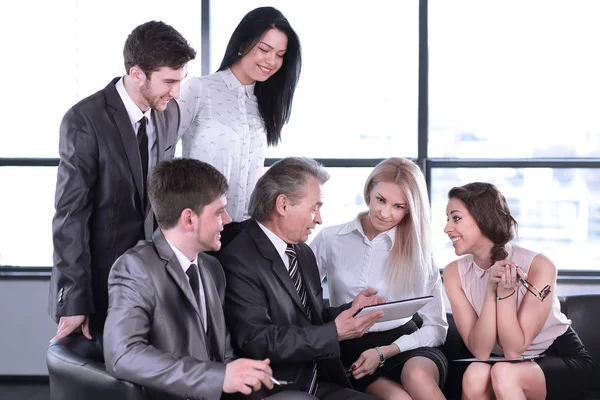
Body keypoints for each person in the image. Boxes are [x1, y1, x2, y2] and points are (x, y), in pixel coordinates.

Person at [103, 158, 313, 400]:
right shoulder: (136, 268)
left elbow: (222, 355)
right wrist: (219, 377)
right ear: (189, 219)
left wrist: (246, 375)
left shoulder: (212, 269)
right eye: (219, 212)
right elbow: (122, 355)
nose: (227, 221)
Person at [48, 20, 197, 344]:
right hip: (102, 283)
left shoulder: (169, 112)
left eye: (180, 81)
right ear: (136, 74)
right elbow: (71, 215)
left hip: (155, 278)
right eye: (169, 81)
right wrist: (74, 298)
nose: (176, 92)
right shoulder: (84, 120)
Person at [220, 156, 387, 400]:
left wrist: (352, 309)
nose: (319, 219)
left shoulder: (301, 251)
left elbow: (310, 318)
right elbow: (259, 341)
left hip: (317, 378)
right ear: (283, 205)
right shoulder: (239, 257)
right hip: (277, 386)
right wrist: (335, 333)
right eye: (314, 208)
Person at [310, 157, 449, 400]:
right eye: (380, 200)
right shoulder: (331, 239)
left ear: (410, 210)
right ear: (369, 192)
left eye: (399, 206)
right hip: (353, 348)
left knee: (418, 377)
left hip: (406, 344)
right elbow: (299, 298)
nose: (385, 213)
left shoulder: (420, 252)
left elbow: (437, 328)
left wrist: (386, 351)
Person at [443, 182, 594, 400]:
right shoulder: (453, 273)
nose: (447, 228)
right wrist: (489, 291)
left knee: (504, 374)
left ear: (483, 219)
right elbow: (480, 351)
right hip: (501, 361)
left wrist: (505, 293)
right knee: (475, 375)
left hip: (558, 356)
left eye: (456, 218)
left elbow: (514, 349)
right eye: (447, 219)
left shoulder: (540, 265)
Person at [178, 6, 302, 250]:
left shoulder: (263, 103)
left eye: (280, 54)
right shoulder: (198, 90)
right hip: (199, 229)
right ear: (243, 44)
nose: (271, 61)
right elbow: (163, 156)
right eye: (264, 49)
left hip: (244, 233)